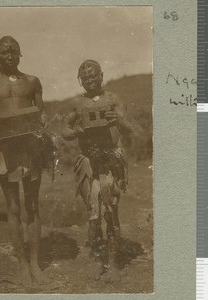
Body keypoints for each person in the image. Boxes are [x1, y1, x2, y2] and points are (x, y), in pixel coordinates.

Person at [0, 36, 49, 287]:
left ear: (21, 54)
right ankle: (21, 264)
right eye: (4, 52)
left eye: (13, 51)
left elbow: (41, 114)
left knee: (32, 207)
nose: (9, 55)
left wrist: (42, 122)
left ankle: (34, 263)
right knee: (14, 208)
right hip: (5, 149)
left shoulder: (32, 82)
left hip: (30, 148)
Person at [62, 60, 131, 282]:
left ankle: (112, 264)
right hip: (88, 161)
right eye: (85, 78)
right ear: (80, 80)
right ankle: (97, 259)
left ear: (102, 75)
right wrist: (75, 131)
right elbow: (65, 129)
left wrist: (117, 120)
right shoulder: (77, 103)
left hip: (111, 158)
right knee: (93, 213)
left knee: (111, 212)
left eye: (93, 76)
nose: (90, 80)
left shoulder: (113, 99)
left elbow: (129, 129)